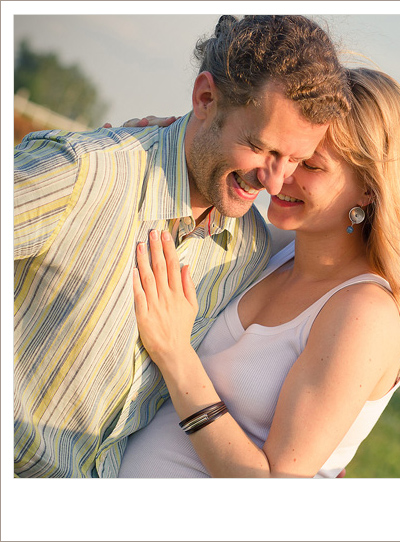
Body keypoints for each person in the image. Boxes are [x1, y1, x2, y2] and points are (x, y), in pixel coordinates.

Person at [13, 15, 351, 478]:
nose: (274, 181)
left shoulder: (248, 252)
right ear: (206, 99)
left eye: (294, 160)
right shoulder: (82, 174)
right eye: (261, 147)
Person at [117, 67, 400, 477]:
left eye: (309, 165)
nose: (280, 175)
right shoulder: (271, 250)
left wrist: (176, 356)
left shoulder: (364, 315)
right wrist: (155, 145)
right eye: (287, 152)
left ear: (370, 188)